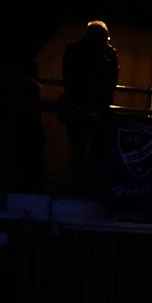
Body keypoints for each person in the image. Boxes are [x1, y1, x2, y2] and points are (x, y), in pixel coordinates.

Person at [58, 21, 118, 193]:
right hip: (98, 108)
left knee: (78, 147)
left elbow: (68, 77)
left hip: (77, 105)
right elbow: (112, 82)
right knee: (97, 149)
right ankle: (93, 186)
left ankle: (77, 185)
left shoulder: (73, 50)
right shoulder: (109, 54)